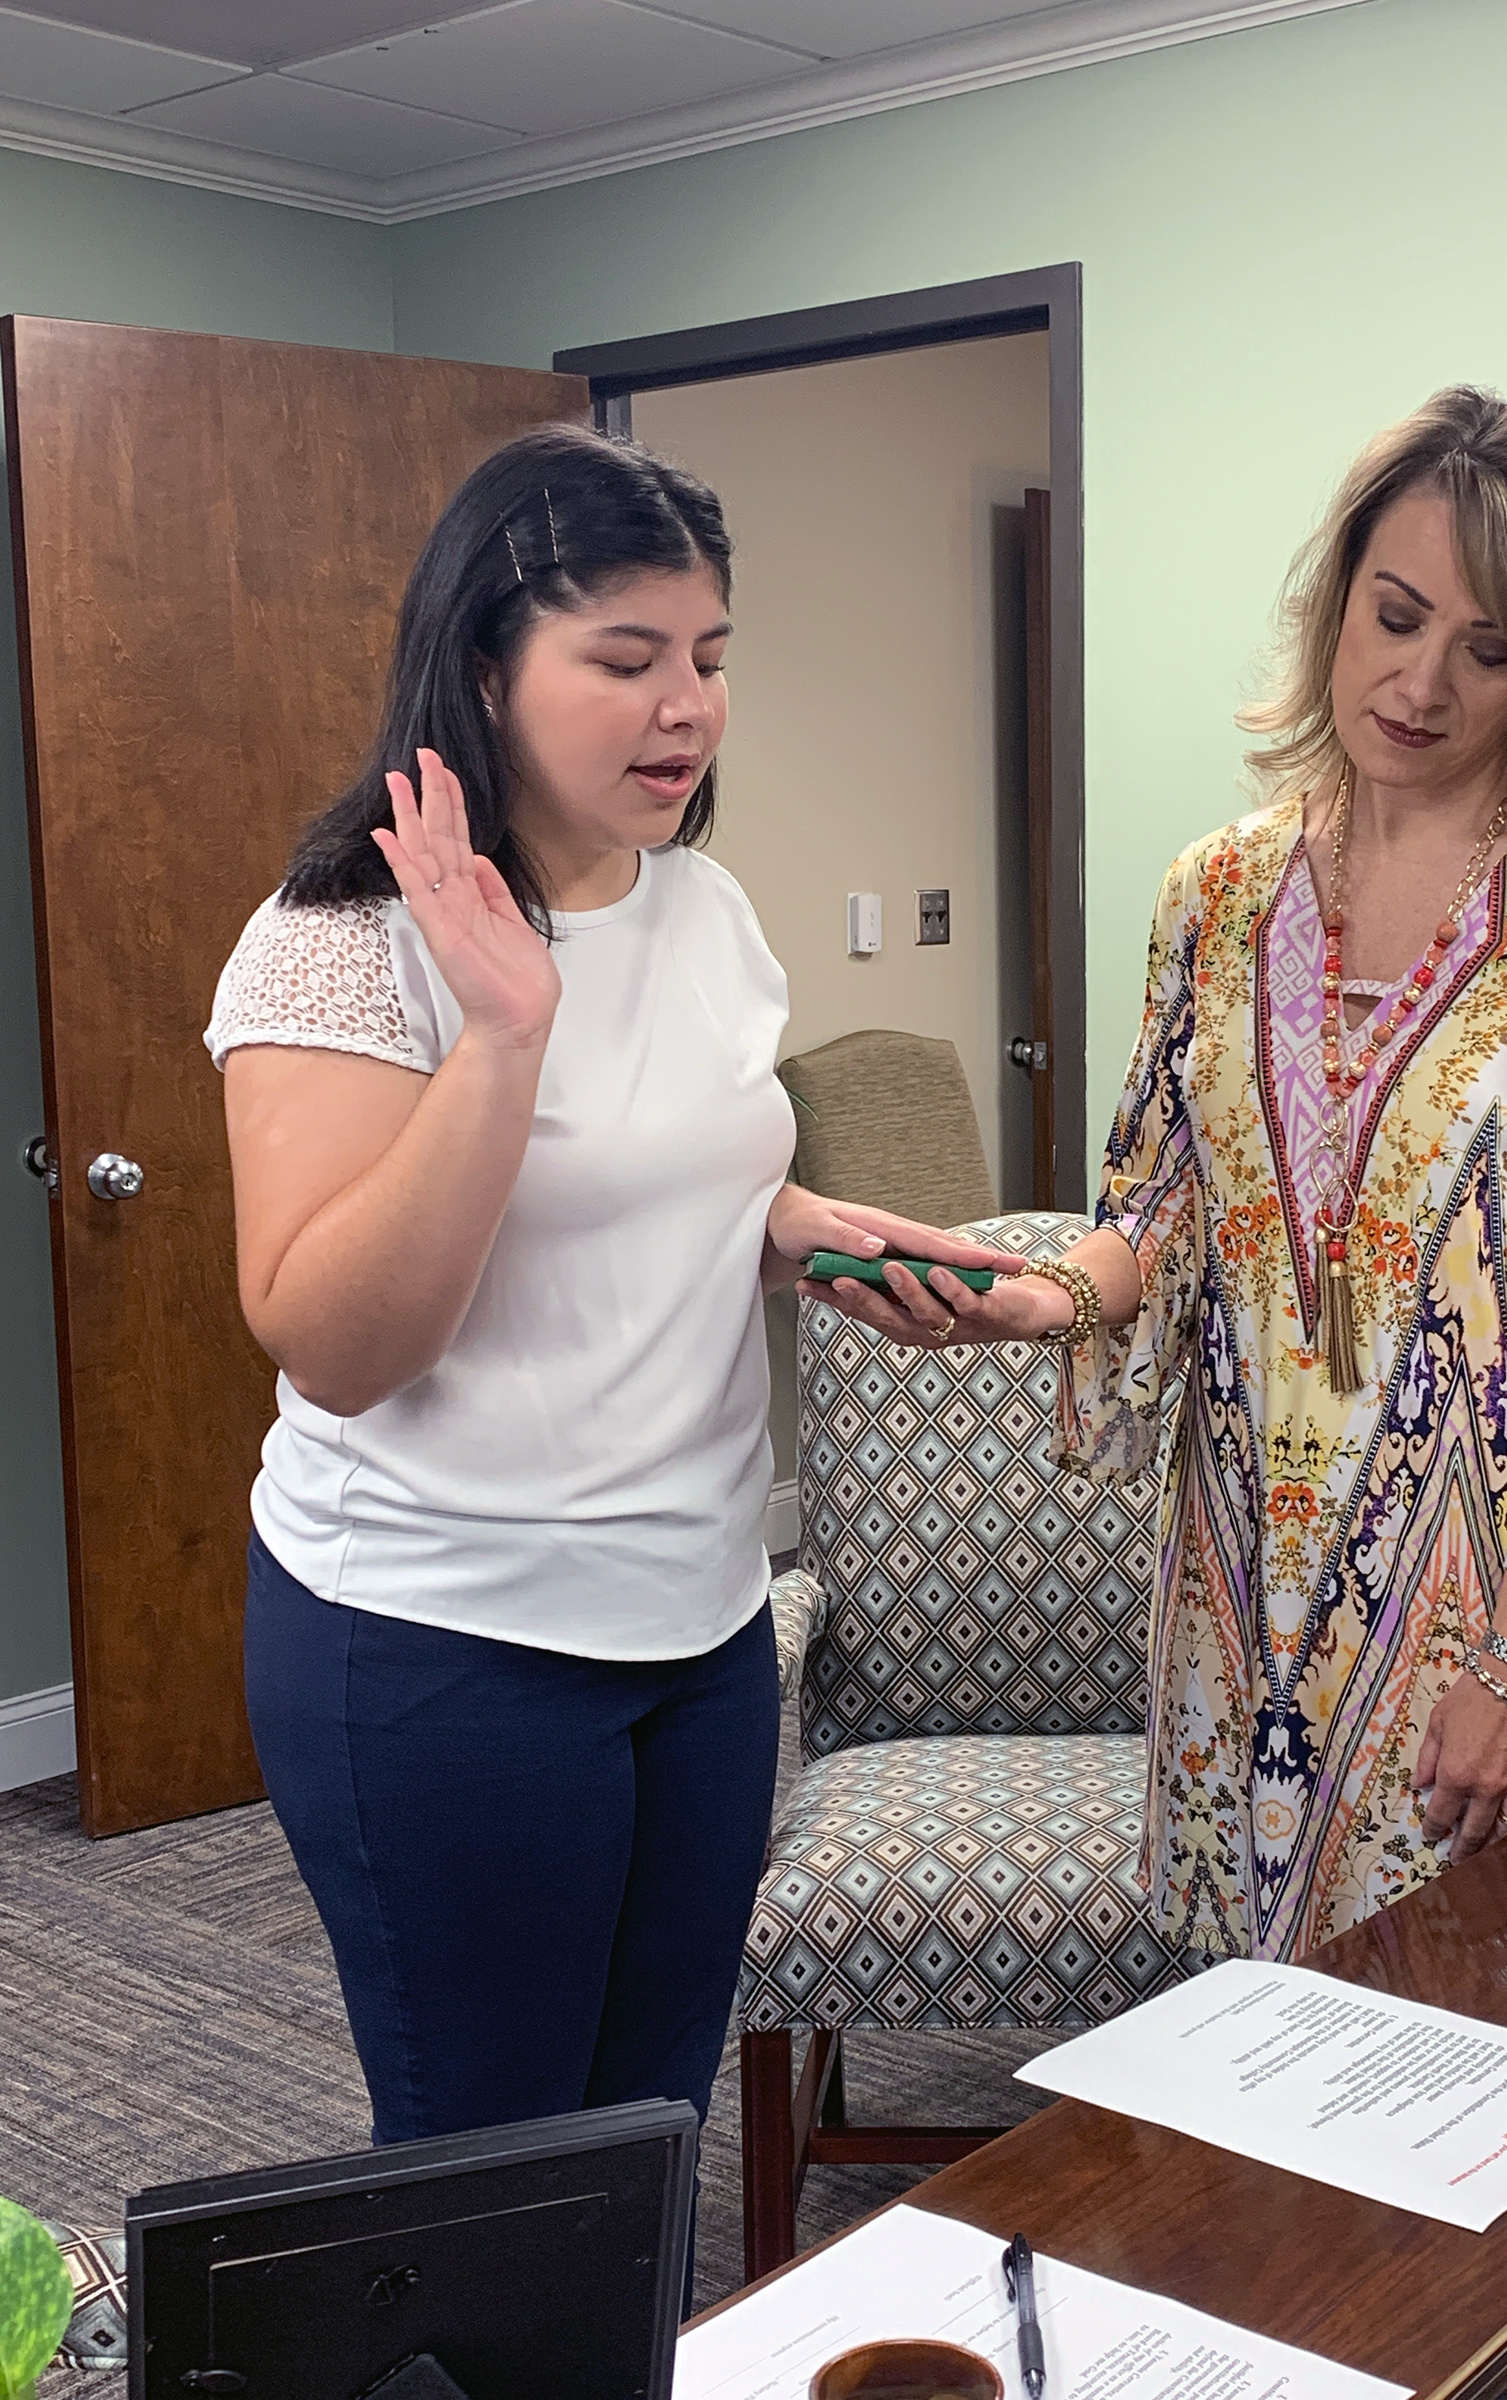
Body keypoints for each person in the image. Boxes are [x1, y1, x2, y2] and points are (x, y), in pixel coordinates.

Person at [811, 387, 1507, 1962]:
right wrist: (1039, 1298)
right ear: (1339, 590)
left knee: (1444, 2052)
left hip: (1467, 1611)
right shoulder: (1213, 895)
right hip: (1229, 1596)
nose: (1420, 683)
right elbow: (1163, 1200)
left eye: (1486, 650)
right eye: (1397, 613)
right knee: (1235, 2055)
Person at [207, 424, 1006, 2152]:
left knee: (645, 2132)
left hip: (702, 1628)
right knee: (491, 2164)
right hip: (441, 1641)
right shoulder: (337, 937)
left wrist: (801, 1228)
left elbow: (681, 1165)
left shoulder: (704, 909)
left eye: (711, 659)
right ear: (486, 669)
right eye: (626, 659)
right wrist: (503, 1035)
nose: (687, 707)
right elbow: (342, 1343)